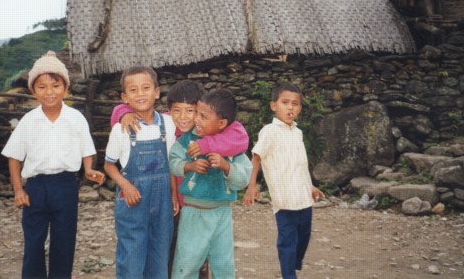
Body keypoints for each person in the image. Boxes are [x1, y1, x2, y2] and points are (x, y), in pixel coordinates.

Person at [111, 79, 249, 278]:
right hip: (167, 204)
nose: (184, 118)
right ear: (170, 110)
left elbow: (240, 137)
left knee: (201, 257)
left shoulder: (212, 132)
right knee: (172, 254)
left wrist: (208, 145)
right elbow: (125, 110)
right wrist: (123, 114)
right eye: (177, 111)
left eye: (194, 112)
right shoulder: (165, 123)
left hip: (199, 206)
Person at [2, 51, 106, 279]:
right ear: (33, 91)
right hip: (35, 188)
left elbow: (86, 148)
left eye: (55, 85)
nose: (49, 92)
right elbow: (14, 157)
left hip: (66, 186)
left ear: (66, 88)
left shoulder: (75, 118)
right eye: (42, 87)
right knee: (33, 242)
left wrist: (89, 170)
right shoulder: (28, 121)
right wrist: (19, 189)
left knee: (64, 241)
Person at [243, 81, 325, 279]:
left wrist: (311, 187)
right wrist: (251, 186)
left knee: (304, 236)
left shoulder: (297, 132)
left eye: (295, 104)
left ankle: (293, 264)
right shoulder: (269, 132)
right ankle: (289, 274)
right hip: (285, 201)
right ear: (274, 105)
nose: (290, 107)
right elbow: (256, 157)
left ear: (300, 108)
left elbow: (300, 165)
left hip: (303, 199)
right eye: (285, 102)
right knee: (287, 241)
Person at [103, 65, 179, 279]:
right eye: (133, 90)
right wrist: (125, 186)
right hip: (132, 199)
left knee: (160, 252)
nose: (140, 94)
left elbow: (172, 164)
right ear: (124, 97)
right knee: (132, 255)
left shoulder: (168, 123)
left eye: (145, 88)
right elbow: (109, 165)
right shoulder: (121, 129)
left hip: (163, 198)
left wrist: (173, 194)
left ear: (156, 92)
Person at [169, 89, 252, 279]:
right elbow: (172, 162)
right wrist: (189, 165)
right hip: (193, 212)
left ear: (222, 123)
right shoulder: (188, 139)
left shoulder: (232, 146)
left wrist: (226, 166)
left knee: (223, 264)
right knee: (187, 263)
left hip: (222, 212)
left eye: (203, 116)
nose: (196, 119)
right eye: (197, 113)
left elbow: (243, 179)